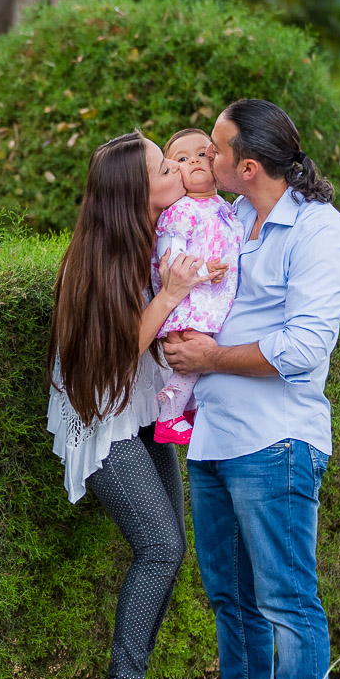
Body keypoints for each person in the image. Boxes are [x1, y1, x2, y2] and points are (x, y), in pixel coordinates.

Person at [162, 100, 340, 679]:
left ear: (247, 165)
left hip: (278, 441)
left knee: (286, 600)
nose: (200, 161)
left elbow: (304, 347)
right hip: (215, 437)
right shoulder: (234, 219)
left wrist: (209, 357)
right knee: (231, 597)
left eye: (212, 150)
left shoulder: (318, 232)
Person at [45, 131, 224, 679]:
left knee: (170, 548)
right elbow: (117, 357)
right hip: (106, 422)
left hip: (150, 413)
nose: (177, 170)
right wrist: (172, 295)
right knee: (162, 547)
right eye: (162, 166)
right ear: (134, 191)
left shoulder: (158, 236)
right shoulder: (94, 261)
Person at [149, 128, 245, 445]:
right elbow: (170, 258)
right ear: (175, 173)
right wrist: (204, 270)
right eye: (183, 159)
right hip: (190, 302)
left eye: (203, 154)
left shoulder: (227, 207)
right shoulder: (180, 212)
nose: (196, 161)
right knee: (189, 363)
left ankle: (185, 412)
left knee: (199, 364)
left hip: (215, 301)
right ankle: (168, 416)